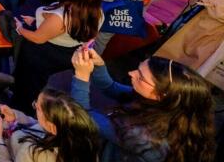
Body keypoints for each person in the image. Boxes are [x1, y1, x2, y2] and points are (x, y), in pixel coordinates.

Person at [71, 47, 215, 162]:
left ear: (161, 95)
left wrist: (81, 76)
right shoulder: (172, 108)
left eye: (140, 76)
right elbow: (110, 87)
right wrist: (99, 65)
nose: (130, 73)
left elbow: (80, 117)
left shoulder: (145, 137)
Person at [11, 0, 103, 112]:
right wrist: (38, 20)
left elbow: (38, 38)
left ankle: (21, 109)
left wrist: (20, 28)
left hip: (43, 54)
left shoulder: (60, 18)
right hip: (66, 51)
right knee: (38, 82)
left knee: (29, 83)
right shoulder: (96, 12)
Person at [0, 87, 101, 162]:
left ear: (52, 127)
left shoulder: (32, 153)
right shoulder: (84, 141)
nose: (33, 106)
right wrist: (15, 118)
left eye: (37, 108)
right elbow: (37, 125)